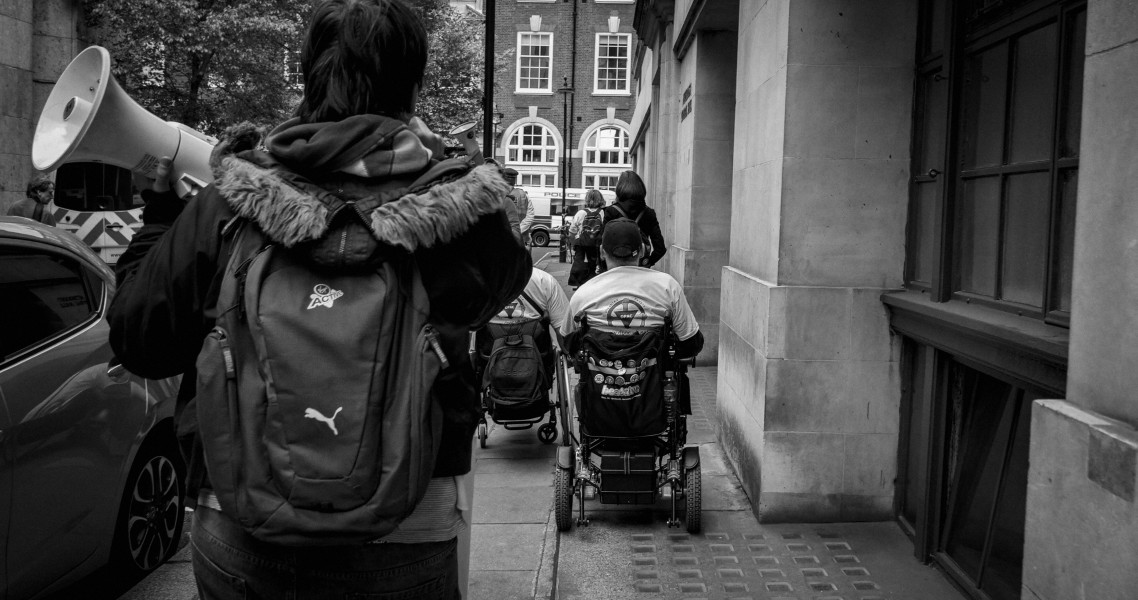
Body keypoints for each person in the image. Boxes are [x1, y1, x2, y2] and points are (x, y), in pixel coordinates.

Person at [107, 1, 531, 598]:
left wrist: (159, 219)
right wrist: (448, 161)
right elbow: (505, 280)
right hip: (406, 529)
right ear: (412, 83)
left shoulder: (230, 198)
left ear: (309, 73)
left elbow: (139, 339)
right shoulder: (454, 205)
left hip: (242, 522)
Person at [562, 218, 703, 360]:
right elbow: (691, 343)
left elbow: (567, 341)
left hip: (598, 377)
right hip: (654, 376)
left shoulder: (584, 293)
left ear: (602, 253)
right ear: (642, 251)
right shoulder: (667, 286)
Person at [601, 170, 665, 269]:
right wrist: (647, 262)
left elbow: (601, 243)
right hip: (639, 266)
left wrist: (603, 267)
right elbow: (660, 248)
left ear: (619, 188)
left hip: (615, 268)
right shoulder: (649, 213)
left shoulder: (611, 211)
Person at [567, 189, 605, 288]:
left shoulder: (580, 213)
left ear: (587, 200)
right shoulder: (604, 213)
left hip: (582, 249)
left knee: (582, 275)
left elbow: (572, 232)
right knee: (599, 276)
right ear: (601, 199)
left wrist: (574, 244)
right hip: (598, 249)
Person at [502, 168, 534, 245]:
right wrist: (518, 230)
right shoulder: (523, 195)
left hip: (503, 237)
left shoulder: (497, 194)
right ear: (514, 180)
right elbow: (530, 216)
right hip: (521, 238)